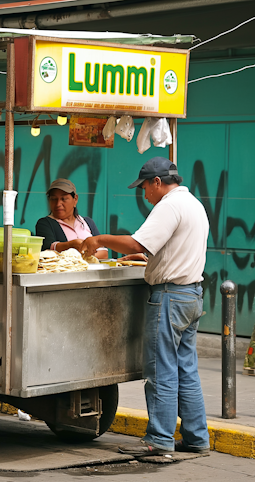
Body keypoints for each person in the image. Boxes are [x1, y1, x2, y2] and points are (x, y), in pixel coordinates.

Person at [80, 157, 210, 456]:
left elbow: (137, 243)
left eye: (144, 188)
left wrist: (99, 239)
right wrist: (151, 261)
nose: (144, 195)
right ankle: (196, 438)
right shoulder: (193, 204)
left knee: (161, 370)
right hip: (191, 295)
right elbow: (173, 250)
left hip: (170, 298)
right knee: (185, 370)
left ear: (157, 182)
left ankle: (159, 439)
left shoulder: (169, 205)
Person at [35, 179, 109, 259]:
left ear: (75, 199)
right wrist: (71, 245)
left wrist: (80, 255)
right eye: (53, 199)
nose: (58, 204)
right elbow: (47, 249)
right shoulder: (45, 223)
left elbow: (104, 253)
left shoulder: (88, 222)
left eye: (64, 199)